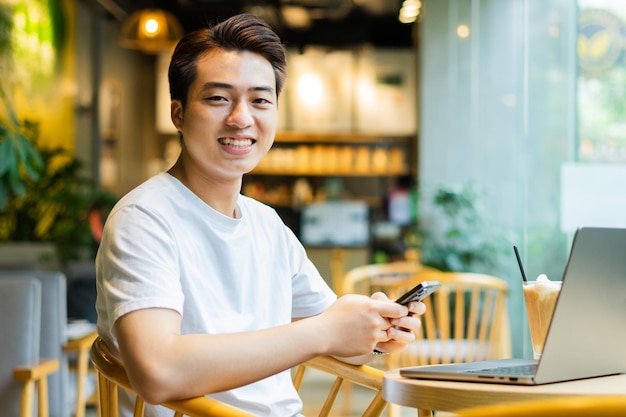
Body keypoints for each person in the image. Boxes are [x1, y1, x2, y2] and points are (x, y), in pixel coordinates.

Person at [95, 13, 425, 417]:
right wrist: (324, 331)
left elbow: (334, 335)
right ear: (178, 114)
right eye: (218, 98)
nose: (241, 118)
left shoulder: (267, 225)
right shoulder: (143, 218)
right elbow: (158, 371)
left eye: (260, 100)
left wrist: (374, 329)